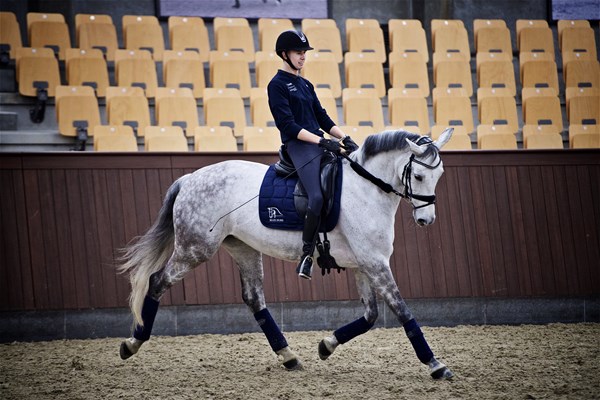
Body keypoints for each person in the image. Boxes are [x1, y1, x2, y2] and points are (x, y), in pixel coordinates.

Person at [267, 30, 358, 280]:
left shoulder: (306, 84)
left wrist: (343, 137)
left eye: (305, 53)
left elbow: (322, 116)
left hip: (319, 142)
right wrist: (321, 141)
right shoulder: (276, 85)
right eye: (298, 52)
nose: (303, 57)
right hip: (298, 146)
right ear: (284, 54)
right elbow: (288, 126)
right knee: (316, 196)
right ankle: (306, 255)